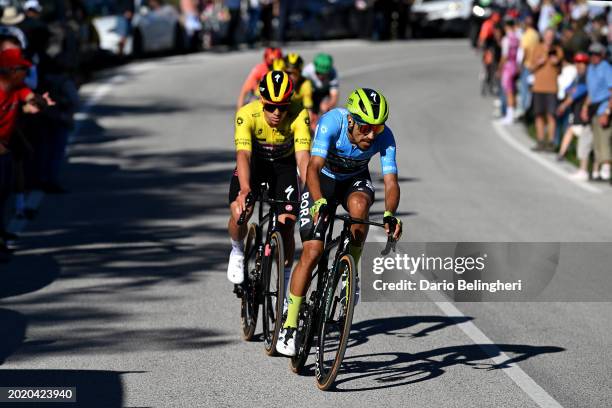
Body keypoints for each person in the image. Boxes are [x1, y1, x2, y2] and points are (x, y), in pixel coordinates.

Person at [276, 88, 402, 356]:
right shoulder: (331, 122)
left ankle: (349, 273)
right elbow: (312, 166)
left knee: (360, 211)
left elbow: (391, 182)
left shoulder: (384, 137)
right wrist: (319, 200)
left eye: (377, 129)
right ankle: (288, 325)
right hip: (321, 180)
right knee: (312, 251)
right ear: (352, 121)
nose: (371, 135)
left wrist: (390, 213)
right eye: (366, 128)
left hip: (353, 181)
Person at [226, 70, 311, 286]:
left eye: (282, 107)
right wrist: (245, 189)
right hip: (254, 165)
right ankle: (237, 250)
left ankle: (284, 281)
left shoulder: (300, 115)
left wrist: (312, 192)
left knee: (288, 222)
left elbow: (302, 158)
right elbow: (243, 154)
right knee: (240, 212)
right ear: (261, 101)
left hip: (284, 167)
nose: (276, 113)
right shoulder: (246, 114)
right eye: (270, 106)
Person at [0, 48, 53, 258]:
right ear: (10, 70)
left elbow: (31, 101)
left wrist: (38, 104)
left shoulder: (17, 88)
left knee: (3, 195)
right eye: (22, 69)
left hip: (4, 152)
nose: (26, 73)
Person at [556, 52, 591, 181]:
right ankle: (562, 153)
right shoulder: (578, 76)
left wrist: (564, 105)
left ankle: (583, 164)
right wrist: (570, 92)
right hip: (575, 109)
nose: (579, 65)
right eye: (577, 62)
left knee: (581, 134)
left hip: (582, 109)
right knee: (571, 130)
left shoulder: (586, 76)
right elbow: (568, 89)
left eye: (581, 63)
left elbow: (577, 92)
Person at [580, 42, 612, 181]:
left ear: (602, 55)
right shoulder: (591, 69)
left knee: (604, 138)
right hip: (593, 106)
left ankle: (606, 167)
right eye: (592, 54)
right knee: (596, 140)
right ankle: (597, 170)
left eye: (597, 54)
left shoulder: (606, 69)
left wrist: (607, 112)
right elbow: (590, 91)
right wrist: (585, 107)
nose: (594, 57)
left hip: (604, 105)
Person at [528, 28, 564, 151]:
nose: (549, 38)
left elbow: (560, 71)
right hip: (538, 87)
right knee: (539, 115)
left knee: (551, 115)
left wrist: (556, 63)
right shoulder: (537, 48)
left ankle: (551, 142)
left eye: (551, 36)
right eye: (547, 35)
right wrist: (539, 62)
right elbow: (531, 68)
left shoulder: (557, 50)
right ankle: (540, 141)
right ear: (543, 36)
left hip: (552, 88)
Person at [302, 53, 339, 129]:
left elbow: (334, 96)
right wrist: (309, 109)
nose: (321, 76)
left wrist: (328, 106)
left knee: (324, 109)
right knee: (310, 116)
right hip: (310, 92)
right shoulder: (307, 71)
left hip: (325, 93)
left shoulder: (333, 72)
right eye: (318, 73)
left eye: (324, 73)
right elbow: (302, 90)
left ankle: (323, 127)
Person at [499, 18, 520, 124]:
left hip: (508, 67)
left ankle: (509, 115)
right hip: (515, 66)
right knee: (513, 91)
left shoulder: (506, 39)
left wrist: (500, 68)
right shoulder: (517, 38)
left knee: (509, 92)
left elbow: (504, 56)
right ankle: (512, 113)